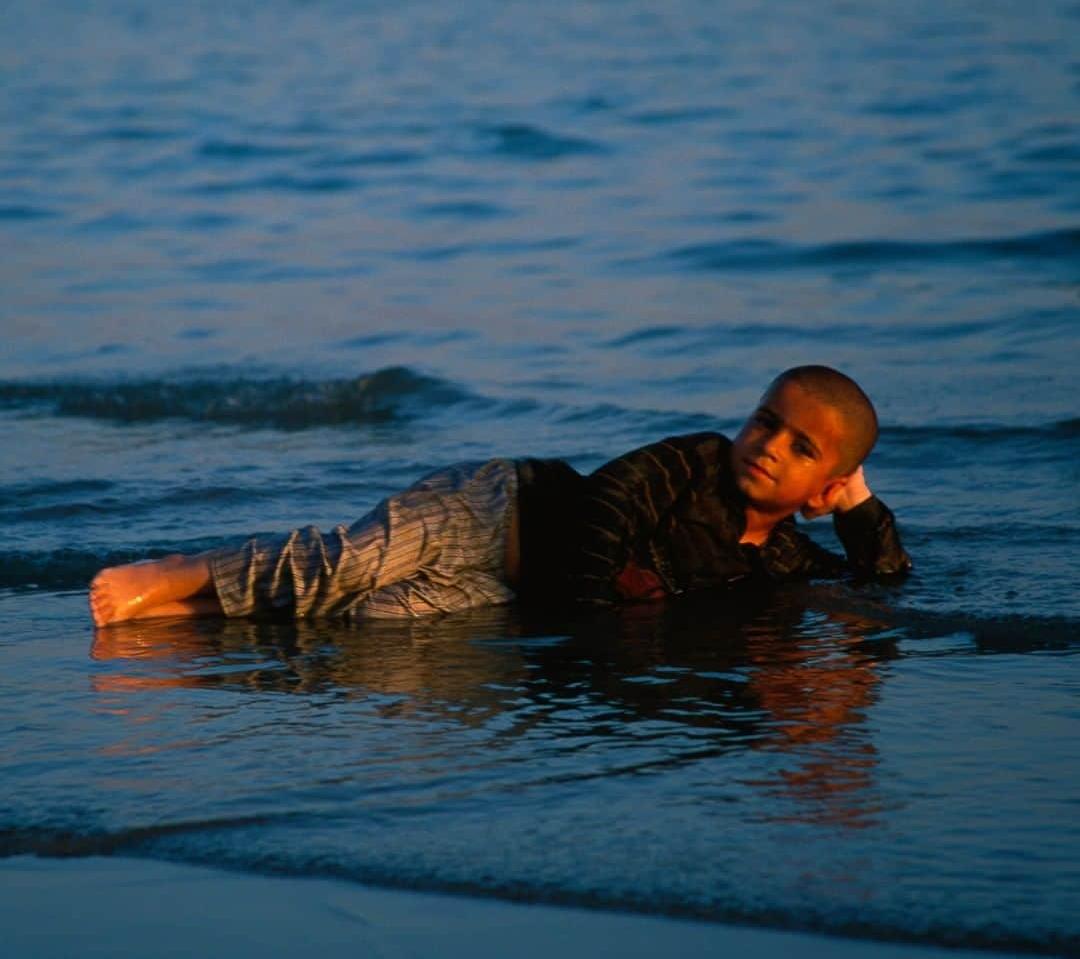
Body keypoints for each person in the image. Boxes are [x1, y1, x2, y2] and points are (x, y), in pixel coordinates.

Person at [89, 365, 911, 628]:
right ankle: (181, 569)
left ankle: (188, 613)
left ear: (821, 485)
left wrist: (859, 508)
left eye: (801, 448)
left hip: (504, 586)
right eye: (764, 421)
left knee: (357, 620)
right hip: (489, 510)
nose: (768, 446)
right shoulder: (690, 462)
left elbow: (881, 584)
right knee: (340, 567)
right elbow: (606, 511)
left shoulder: (781, 556)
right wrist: (593, 623)